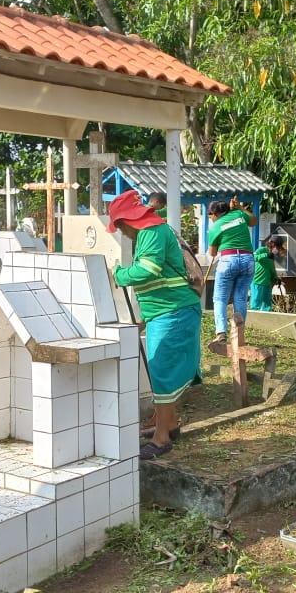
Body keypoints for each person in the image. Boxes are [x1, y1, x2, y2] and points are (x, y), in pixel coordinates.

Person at [106, 190, 202, 460]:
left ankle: (161, 440)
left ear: (127, 220)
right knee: (163, 373)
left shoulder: (150, 232)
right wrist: (146, 318)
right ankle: (169, 426)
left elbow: (147, 270)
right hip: (168, 312)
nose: (121, 232)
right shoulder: (153, 231)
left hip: (174, 313)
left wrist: (119, 274)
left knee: (162, 372)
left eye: (119, 225)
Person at [206, 197, 257, 343]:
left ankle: (221, 333)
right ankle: (239, 334)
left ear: (215, 214)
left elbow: (212, 252)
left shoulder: (215, 227)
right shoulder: (239, 215)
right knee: (240, 298)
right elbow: (253, 221)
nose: (210, 219)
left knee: (220, 298)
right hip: (248, 259)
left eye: (210, 216)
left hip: (228, 260)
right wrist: (240, 208)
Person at [250, 237, 286, 312]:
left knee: (267, 306)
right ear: (272, 244)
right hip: (257, 282)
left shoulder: (272, 256)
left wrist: (276, 279)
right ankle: (253, 323)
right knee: (255, 305)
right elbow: (253, 257)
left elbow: (272, 269)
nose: (278, 250)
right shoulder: (262, 250)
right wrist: (266, 255)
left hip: (267, 284)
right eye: (277, 247)